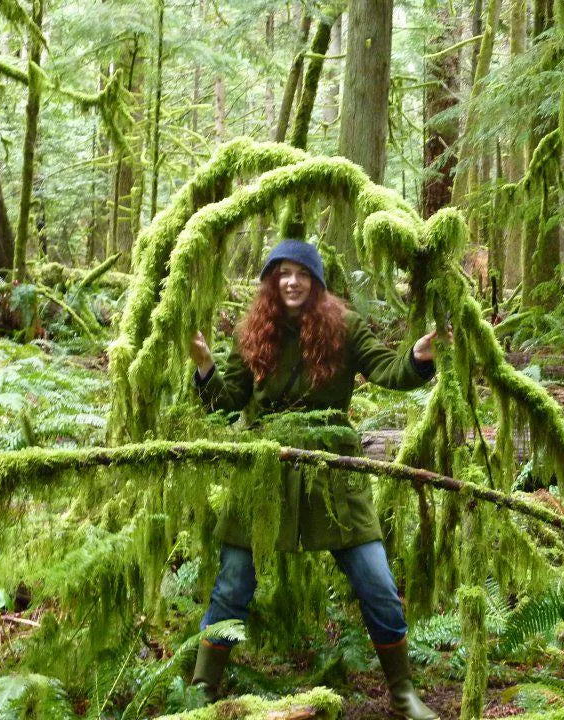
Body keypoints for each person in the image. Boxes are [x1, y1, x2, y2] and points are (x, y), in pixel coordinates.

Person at [188, 239, 442, 720]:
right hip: (264, 473)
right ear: (270, 282)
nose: (291, 280)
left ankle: (403, 693)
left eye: (302, 273)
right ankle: (201, 689)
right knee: (232, 583)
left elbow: (388, 369)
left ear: (317, 282)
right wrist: (204, 366)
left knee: (376, 581)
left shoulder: (345, 328)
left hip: (334, 476)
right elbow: (225, 403)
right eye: (281, 272)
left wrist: (417, 357)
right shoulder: (251, 333)